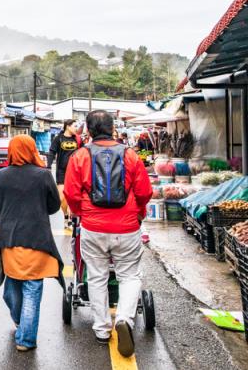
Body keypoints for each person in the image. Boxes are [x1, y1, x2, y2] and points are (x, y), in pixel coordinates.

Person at [63, 110, 152, 357]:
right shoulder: (131, 155)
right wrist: (139, 212)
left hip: (92, 228)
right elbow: (144, 191)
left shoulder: (80, 156)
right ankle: (124, 319)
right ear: (113, 128)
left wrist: (83, 212)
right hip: (127, 227)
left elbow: (70, 193)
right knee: (130, 276)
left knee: (97, 276)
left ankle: (102, 329)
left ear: (88, 131)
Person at [0, 135, 63, 353]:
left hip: (10, 239)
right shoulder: (43, 175)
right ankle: (25, 334)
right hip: (38, 238)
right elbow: (55, 205)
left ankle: (24, 331)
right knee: (32, 287)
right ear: (32, 150)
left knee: (13, 285)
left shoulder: (1, 176)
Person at [46, 119, 80, 229]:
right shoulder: (58, 139)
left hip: (74, 171)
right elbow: (52, 152)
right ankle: (66, 216)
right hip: (61, 171)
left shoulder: (78, 139)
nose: (76, 128)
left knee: (71, 196)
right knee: (61, 197)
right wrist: (49, 166)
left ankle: (70, 220)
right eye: (75, 126)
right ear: (68, 126)